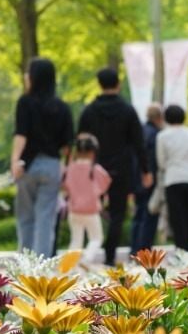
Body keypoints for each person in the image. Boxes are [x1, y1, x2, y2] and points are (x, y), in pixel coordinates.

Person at [78, 68, 149, 265]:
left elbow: (80, 140)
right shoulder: (128, 110)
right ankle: (110, 256)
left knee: (90, 210)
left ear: (99, 84)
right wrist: (146, 170)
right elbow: (139, 142)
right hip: (121, 168)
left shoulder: (89, 111)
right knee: (118, 214)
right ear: (118, 84)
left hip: (94, 169)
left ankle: (89, 250)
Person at [11, 57, 74, 257]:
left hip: (27, 166)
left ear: (33, 77)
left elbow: (21, 135)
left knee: (25, 217)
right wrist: (65, 169)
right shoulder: (62, 107)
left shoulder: (25, 102)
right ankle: (42, 265)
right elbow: (68, 146)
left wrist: (15, 161)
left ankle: (25, 263)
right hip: (52, 165)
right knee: (46, 218)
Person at [149, 105, 188, 252]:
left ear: (166, 118)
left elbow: (161, 162)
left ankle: (180, 251)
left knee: (177, 219)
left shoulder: (162, 136)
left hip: (173, 180)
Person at [62, 133, 112, 264]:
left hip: (74, 210)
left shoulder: (70, 168)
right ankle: (87, 259)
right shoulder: (95, 169)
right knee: (96, 238)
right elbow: (106, 182)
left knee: (76, 240)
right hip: (91, 210)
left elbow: (64, 185)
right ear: (93, 152)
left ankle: (68, 267)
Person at [131, 103, 164, 253]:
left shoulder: (139, 131)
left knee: (138, 215)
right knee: (149, 215)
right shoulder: (157, 135)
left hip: (136, 178)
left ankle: (134, 249)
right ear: (159, 118)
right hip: (150, 178)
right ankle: (144, 251)